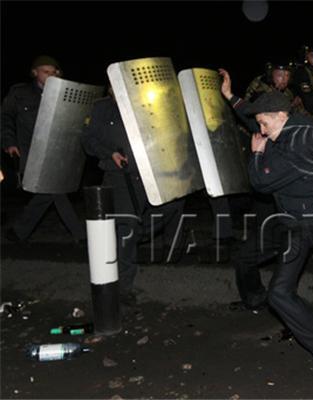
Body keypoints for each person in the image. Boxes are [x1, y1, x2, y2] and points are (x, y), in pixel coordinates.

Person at [220, 73, 313, 381]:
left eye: (265, 125)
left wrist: (257, 155)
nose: (260, 131)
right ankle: (254, 300)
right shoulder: (285, 124)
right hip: (285, 217)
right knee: (245, 256)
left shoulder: (299, 146)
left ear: (281, 117)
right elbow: (254, 115)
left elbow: (260, 182)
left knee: (281, 292)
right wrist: (231, 96)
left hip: (302, 225)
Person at [82, 89, 185, 306]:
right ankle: (123, 287)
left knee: (174, 204)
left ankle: (137, 235)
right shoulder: (102, 108)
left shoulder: (146, 103)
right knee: (127, 227)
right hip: (118, 176)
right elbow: (88, 139)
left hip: (151, 173)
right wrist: (109, 153)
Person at [2, 56, 86, 244]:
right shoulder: (19, 93)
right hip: (30, 153)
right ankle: (81, 235)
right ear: (35, 73)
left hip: (56, 153)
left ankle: (18, 232)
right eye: (45, 71)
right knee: (53, 192)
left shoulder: (65, 93)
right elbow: (5, 118)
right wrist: (9, 143)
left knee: (50, 192)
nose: (51, 74)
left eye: (54, 71)